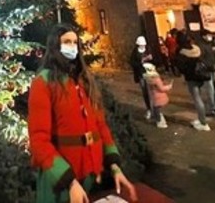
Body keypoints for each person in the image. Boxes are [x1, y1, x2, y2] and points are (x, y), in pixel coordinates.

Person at [28, 24, 137, 203]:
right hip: (60, 181)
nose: (72, 46)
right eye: (66, 42)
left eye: (75, 43)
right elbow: (39, 140)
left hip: (91, 175)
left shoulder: (84, 80)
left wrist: (114, 165)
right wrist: (68, 181)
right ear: (55, 45)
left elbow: (100, 126)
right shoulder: (43, 82)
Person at [174, 31, 212, 131]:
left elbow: (180, 66)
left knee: (197, 98)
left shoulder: (181, 51)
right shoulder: (196, 49)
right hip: (200, 76)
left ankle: (203, 122)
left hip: (191, 77)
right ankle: (201, 119)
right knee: (199, 97)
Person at [129, 35, 154, 120]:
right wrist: (140, 61)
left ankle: (153, 109)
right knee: (145, 92)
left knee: (151, 92)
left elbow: (154, 61)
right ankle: (149, 109)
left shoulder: (148, 49)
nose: (143, 46)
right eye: (141, 45)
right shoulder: (135, 52)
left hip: (149, 73)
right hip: (141, 74)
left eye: (144, 45)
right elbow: (132, 63)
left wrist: (150, 58)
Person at [143, 62, 172, 128]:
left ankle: (157, 119)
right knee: (158, 109)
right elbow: (161, 88)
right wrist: (169, 87)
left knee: (156, 108)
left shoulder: (148, 78)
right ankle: (160, 122)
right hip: (160, 96)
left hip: (154, 96)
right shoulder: (156, 79)